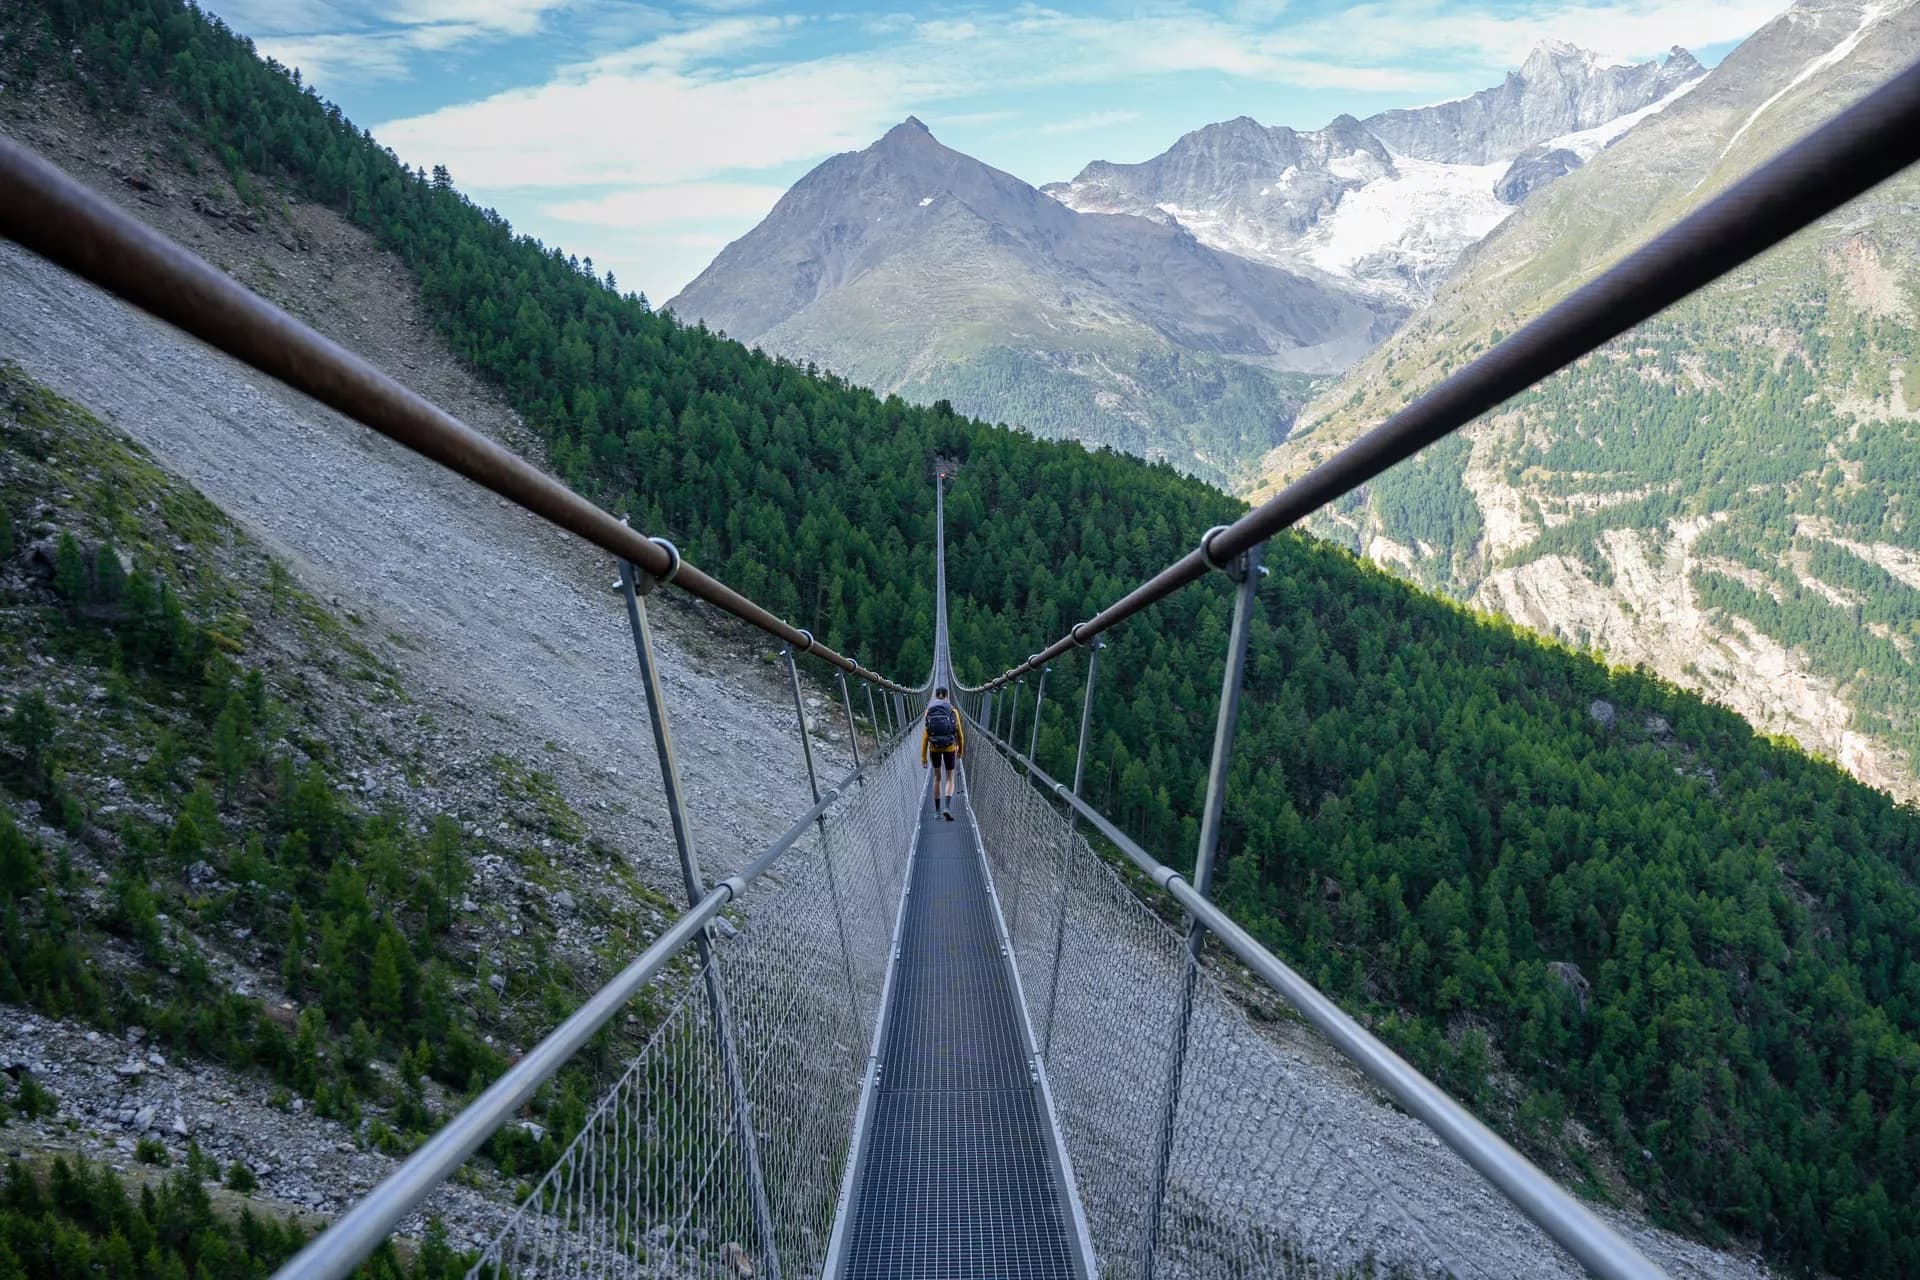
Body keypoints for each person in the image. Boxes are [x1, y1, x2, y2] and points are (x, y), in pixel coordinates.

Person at [921, 687, 964, 820]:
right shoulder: (953, 711)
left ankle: (937, 811)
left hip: (934, 748)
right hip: (949, 748)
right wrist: (960, 750)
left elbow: (925, 736)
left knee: (937, 778)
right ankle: (947, 807)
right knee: (950, 778)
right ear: (947, 696)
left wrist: (923, 757)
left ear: (936, 695)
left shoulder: (928, 711)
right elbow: (960, 734)